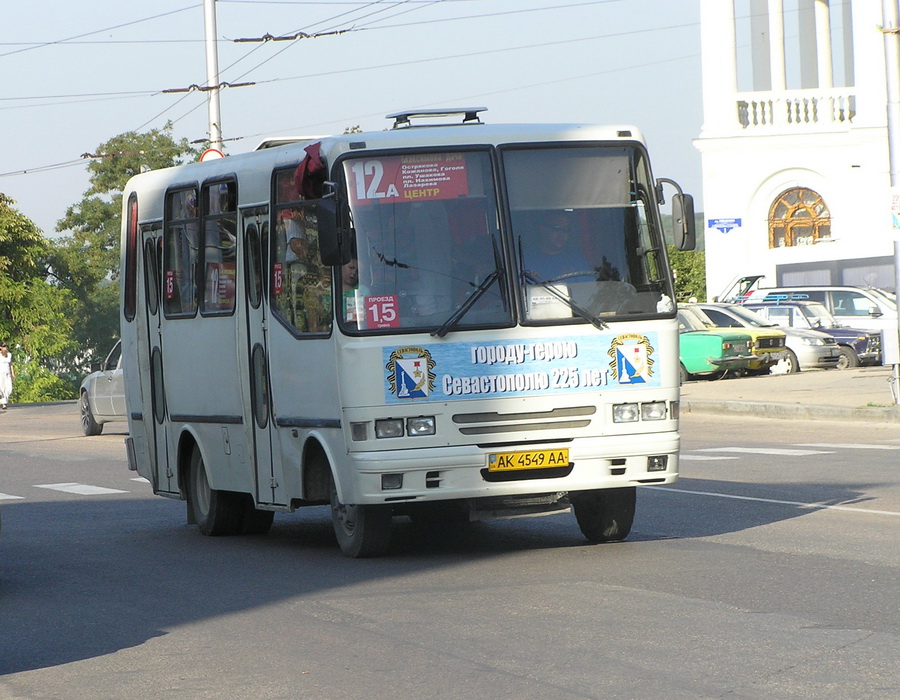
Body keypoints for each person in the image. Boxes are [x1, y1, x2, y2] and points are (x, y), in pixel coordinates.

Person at [525, 211, 592, 281]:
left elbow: (588, 287)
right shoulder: (526, 259)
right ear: (543, 229)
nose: (561, 235)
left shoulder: (576, 260)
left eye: (566, 230)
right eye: (556, 229)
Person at [0, 342, 14, 410]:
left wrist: (13, 373)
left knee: (9, 389)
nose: (5, 348)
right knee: (2, 389)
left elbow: (11, 364)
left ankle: (4, 401)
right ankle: (4, 403)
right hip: (1, 374)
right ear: (1, 348)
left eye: (6, 346)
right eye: (4, 346)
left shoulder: (9, 355)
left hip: (7, 374)